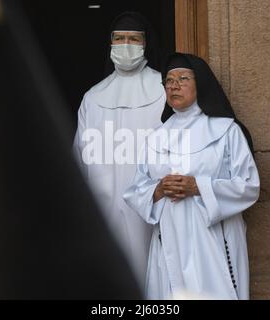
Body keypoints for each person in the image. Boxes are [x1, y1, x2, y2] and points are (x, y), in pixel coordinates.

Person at [123, 53, 260, 300]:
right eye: (168, 81)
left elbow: (249, 185)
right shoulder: (157, 137)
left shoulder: (227, 130)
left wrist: (199, 186)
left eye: (183, 79)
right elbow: (136, 189)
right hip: (170, 238)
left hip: (213, 237)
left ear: (201, 84)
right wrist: (159, 189)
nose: (173, 86)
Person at [73, 12, 166, 286]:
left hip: (153, 200)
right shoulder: (92, 97)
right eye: (120, 38)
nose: (126, 45)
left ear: (146, 44)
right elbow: (80, 155)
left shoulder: (164, 90)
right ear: (110, 44)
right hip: (105, 203)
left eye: (134, 39)